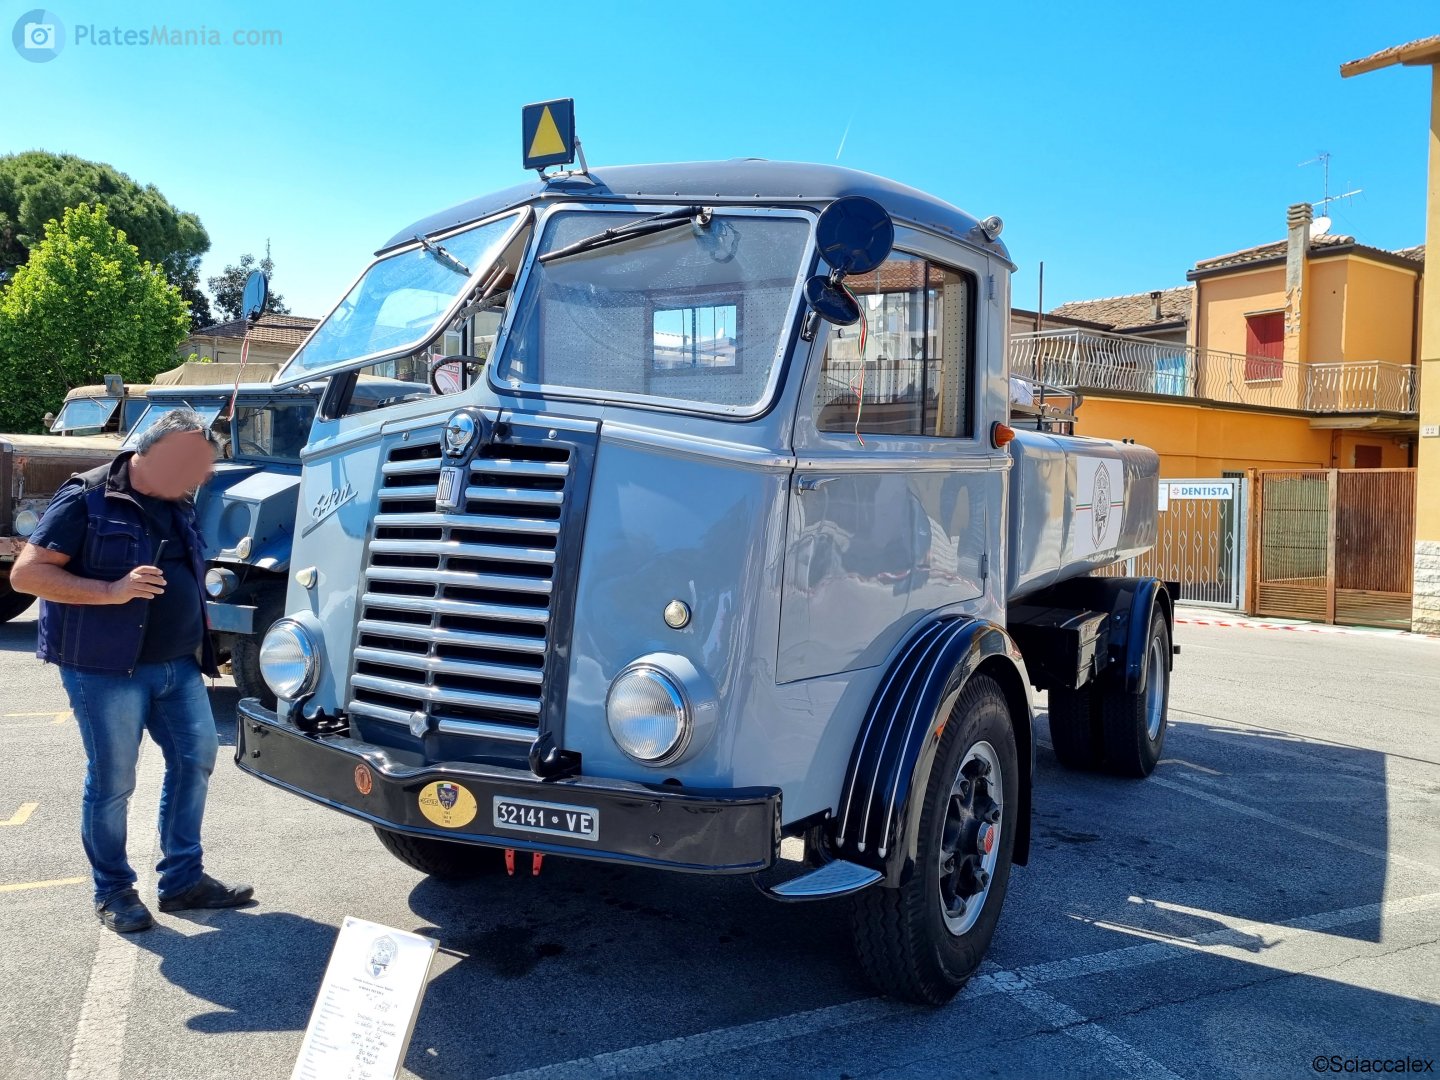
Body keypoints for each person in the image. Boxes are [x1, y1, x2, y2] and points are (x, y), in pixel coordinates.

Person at [10, 409, 254, 933]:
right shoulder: (86, 498)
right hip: (103, 669)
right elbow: (27, 575)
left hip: (178, 667)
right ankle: (114, 891)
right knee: (114, 782)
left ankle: (183, 881)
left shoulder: (180, 504)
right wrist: (112, 591)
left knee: (196, 761)